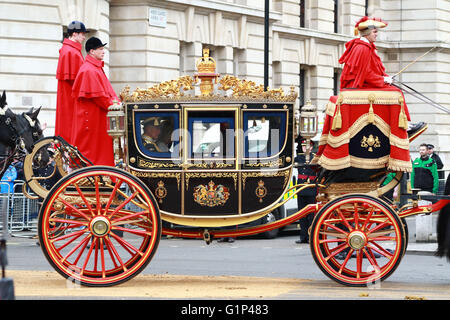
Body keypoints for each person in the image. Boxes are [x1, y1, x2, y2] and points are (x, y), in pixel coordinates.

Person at [71, 37, 119, 166]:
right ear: (92, 51)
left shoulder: (94, 68)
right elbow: (100, 97)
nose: (104, 51)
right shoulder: (89, 70)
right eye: (101, 49)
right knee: (96, 151)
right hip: (93, 120)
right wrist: (116, 105)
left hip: (97, 118)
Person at [55, 21, 87, 144]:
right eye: (82, 34)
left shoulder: (71, 50)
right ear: (74, 34)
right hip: (71, 98)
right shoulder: (70, 51)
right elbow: (76, 80)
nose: (84, 37)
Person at [294, 138, 317, 244]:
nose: (305, 148)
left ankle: (310, 236)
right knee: (301, 214)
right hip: (301, 189)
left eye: (307, 146)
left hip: (311, 189)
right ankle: (303, 236)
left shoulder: (315, 158)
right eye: (303, 146)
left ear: (311, 147)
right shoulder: (298, 158)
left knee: (311, 216)